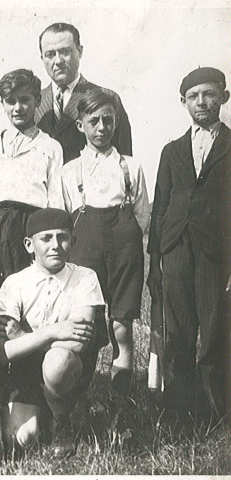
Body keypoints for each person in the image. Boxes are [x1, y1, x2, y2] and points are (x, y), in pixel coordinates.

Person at [147, 67, 230, 423]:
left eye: (210, 94)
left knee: (214, 333)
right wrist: (155, 261)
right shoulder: (172, 150)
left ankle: (219, 413)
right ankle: (182, 412)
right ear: (183, 102)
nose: (202, 102)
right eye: (194, 96)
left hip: (216, 252)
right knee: (178, 333)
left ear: (224, 98)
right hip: (175, 248)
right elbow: (160, 206)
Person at [61, 90, 149, 410]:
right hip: (86, 249)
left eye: (108, 120)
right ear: (81, 125)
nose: (102, 127)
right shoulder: (70, 171)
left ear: (116, 122)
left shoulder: (130, 167)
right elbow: (63, 219)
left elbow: (142, 217)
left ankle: (120, 401)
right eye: (94, 121)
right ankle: (80, 398)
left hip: (125, 248)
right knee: (88, 321)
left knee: (121, 325)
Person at [0, 208, 104, 459]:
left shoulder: (85, 277)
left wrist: (23, 337)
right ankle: (43, 411)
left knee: (58, 361)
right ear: (29, 244)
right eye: (46, 238)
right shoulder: (15, 283)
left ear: (73, 242)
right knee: (20, 440)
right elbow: (2, 353)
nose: (55, 245)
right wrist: (55, 331)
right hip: (26, 372)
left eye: (63, 237)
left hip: (65, 369)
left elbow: (77, 342)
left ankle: (63, 418)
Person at [0, 69, 63, 299]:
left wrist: (51, 244)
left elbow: (56, 201)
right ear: (2, 103)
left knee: (30, 298)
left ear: (38, 101)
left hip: (30, 228)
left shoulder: (49, 147)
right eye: (11, 101)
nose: (18, 108)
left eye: (25, 100)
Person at [35, 22, 132, 163]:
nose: (58, 61)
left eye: (65, 52)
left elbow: (124, 161)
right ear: (42, 58)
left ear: (80, 51)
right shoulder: (34, 101)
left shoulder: (108, 98)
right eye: (50, 54)